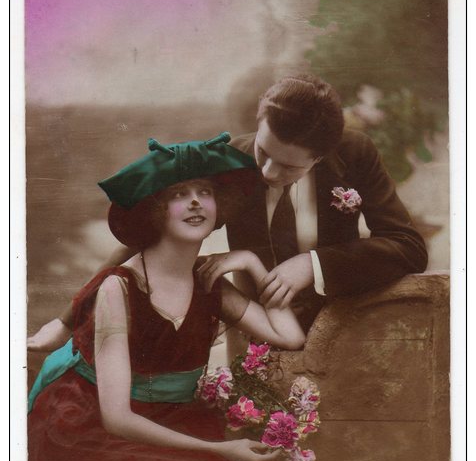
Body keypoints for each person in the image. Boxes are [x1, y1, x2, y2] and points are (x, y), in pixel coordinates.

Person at [28, 133, 306, 461]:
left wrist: (254, 266)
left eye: (204, 192)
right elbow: (117, 419)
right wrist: (221, 450)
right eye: (179, 194)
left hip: (174, 420)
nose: (196, 203)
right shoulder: (121, 288)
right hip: (96, 431)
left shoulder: (211, 285)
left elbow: (289, 336)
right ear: (156, 209)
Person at [28, 73, 428, 344]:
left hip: (343, 326)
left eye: (289, 166)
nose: (268, 172)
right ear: (259, 120)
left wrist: (314, 263)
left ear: (321, 157)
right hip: (254, 327)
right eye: (264, 152)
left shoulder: (354, 153)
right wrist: (66, 322)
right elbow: (141, 238)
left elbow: (408, 246)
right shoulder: (223, 160)